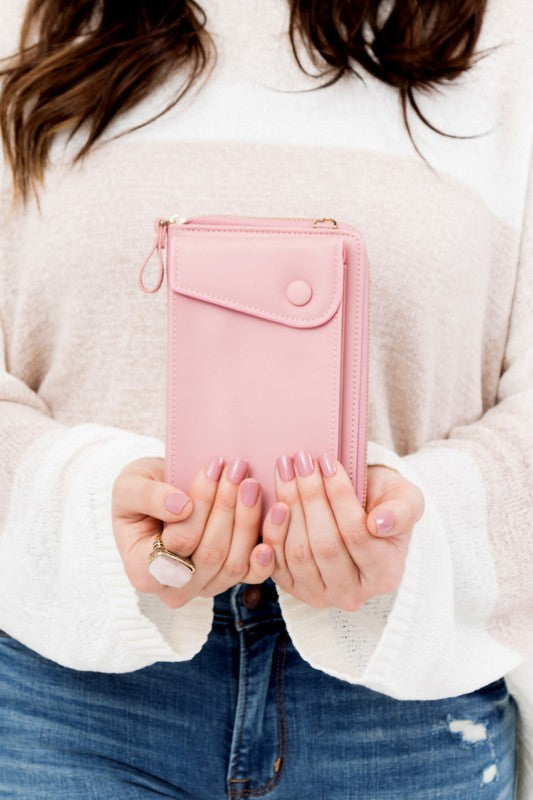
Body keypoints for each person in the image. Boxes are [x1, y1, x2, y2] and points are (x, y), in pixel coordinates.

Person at [0, 0, 531, 798]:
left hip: (405, 712)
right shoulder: (28, 28)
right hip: (64, 692)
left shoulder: (507, 46)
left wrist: (418, 529)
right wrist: (79, 502)